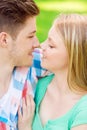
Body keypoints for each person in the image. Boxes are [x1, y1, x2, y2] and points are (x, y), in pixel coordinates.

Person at [32, 14, 87, 130]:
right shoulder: (36, 85)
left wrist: (25, 127)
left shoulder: (83, 109)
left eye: (51, 46)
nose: (41, 46)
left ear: (74, 56)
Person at [0, 0, 45, 130]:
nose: (37, 43)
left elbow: (73, 55)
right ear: (4, 40)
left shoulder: (34, 63)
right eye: (30, 36)